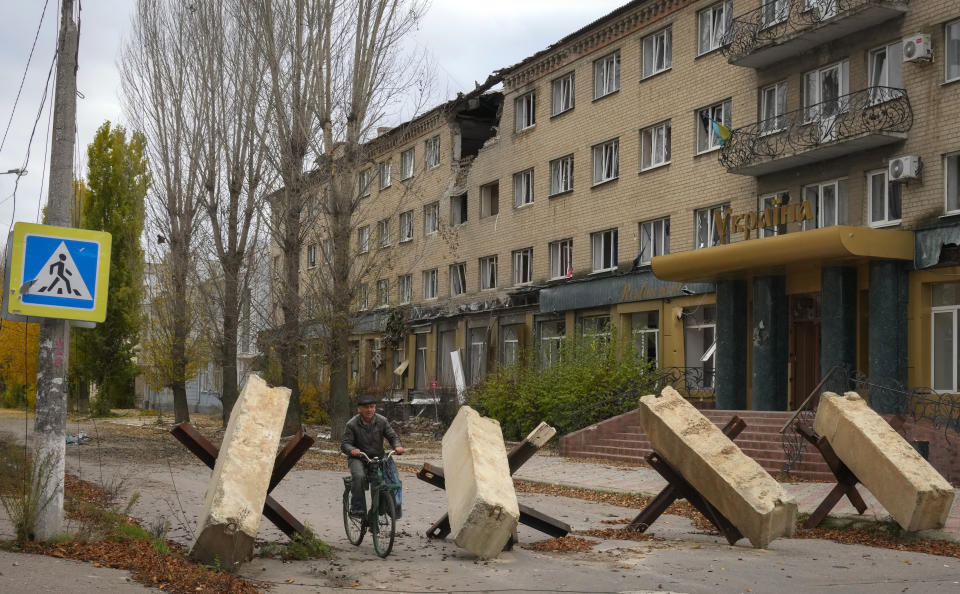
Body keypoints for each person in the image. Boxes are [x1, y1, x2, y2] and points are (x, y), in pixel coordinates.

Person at [341, 394, 403, 515]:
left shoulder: (382, 421)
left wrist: (397, 446)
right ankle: (357, 508)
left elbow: (392, 436)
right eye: (366, 407)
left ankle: (385, 510)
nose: (369, 410)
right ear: (359, 409)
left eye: (372, 407)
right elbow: (345, 444)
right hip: (359, 458)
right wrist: (352, 450)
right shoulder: (352, 424)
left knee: (390, 481)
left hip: (378, 457)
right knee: (359, 476)